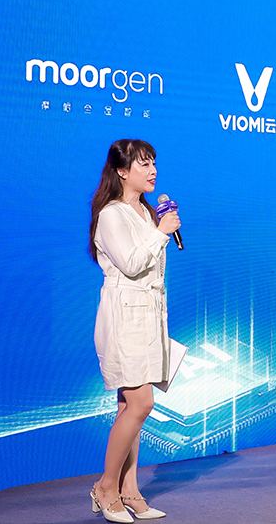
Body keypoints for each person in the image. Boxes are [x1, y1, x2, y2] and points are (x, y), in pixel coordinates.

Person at [88, 139, 181, 523]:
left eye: (153, 162)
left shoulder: (145, 211)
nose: (152, 170)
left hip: (149, 316)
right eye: (143, 164)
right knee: (141, 403)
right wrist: (162, 232)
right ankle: (106, 487)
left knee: (130, 408)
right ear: (122, 171)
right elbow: (129, 263)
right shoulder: (112, 214)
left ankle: (130, 489)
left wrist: (159, 227)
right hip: (124, 317)